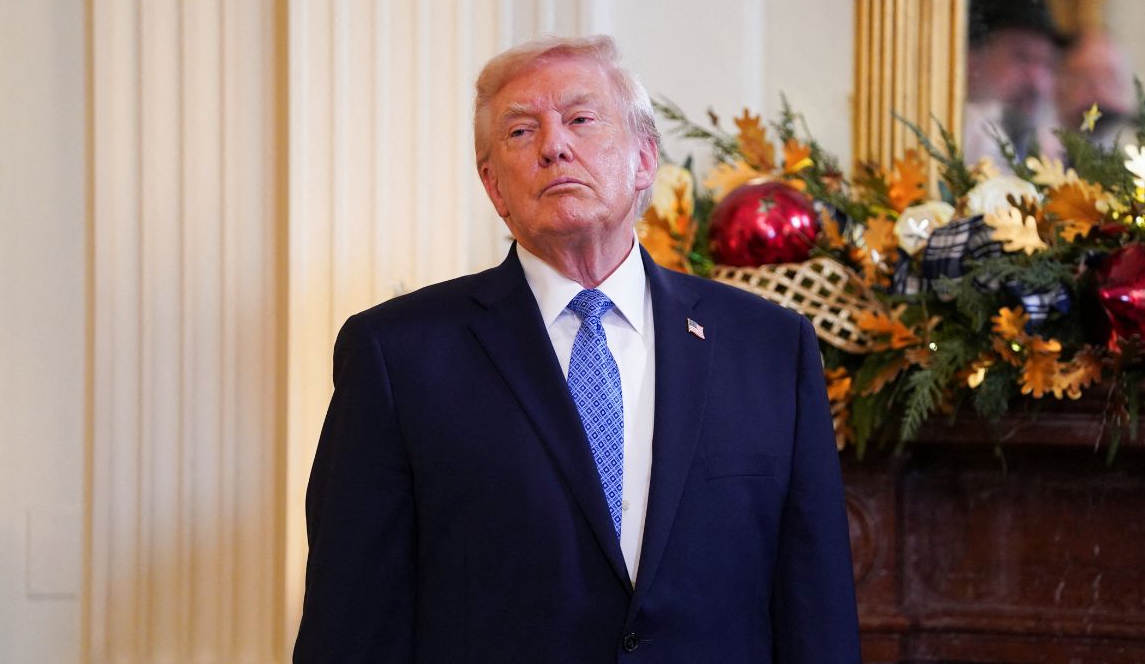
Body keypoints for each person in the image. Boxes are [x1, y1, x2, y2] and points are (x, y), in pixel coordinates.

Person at [292, 35, 860, 663]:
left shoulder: (769, 346)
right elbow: (350, 620)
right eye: (519, 132)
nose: (554, 145)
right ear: (493, 188)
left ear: (644, 159)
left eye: (581, 119)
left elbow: (817, 602)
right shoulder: (397, 354)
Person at [964, 0, 1066, 168]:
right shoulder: (956, 136)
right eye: (1021, 56)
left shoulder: (1053, 152)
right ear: (971, 60)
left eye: (1046, 63)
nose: (1036, 80)